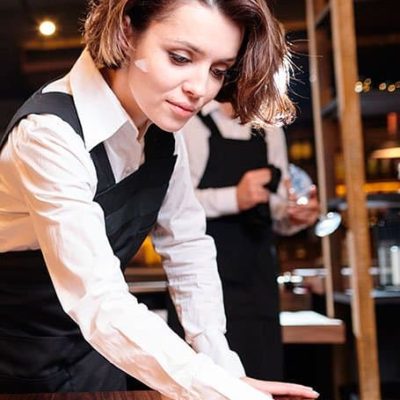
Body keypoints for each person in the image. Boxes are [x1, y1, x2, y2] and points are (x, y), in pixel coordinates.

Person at [0, 0, 319, 398]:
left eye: (218, 71)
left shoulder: (164, 137)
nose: (200, 89)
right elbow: (98, 300)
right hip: (19, 361)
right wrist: (222, 393)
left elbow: (187, 246)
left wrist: (223, 369)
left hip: (104, 354)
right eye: (180, 57)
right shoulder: (48, 135)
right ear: (127, 32)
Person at [175, 100, 320, 381]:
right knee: (206, 383)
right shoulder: (188, 122)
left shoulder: (269, 128)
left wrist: (295, 216)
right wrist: (235, 198)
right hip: (201, 278)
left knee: (263, 375)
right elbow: (173, 206)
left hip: (258, 281)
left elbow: (276, 208)